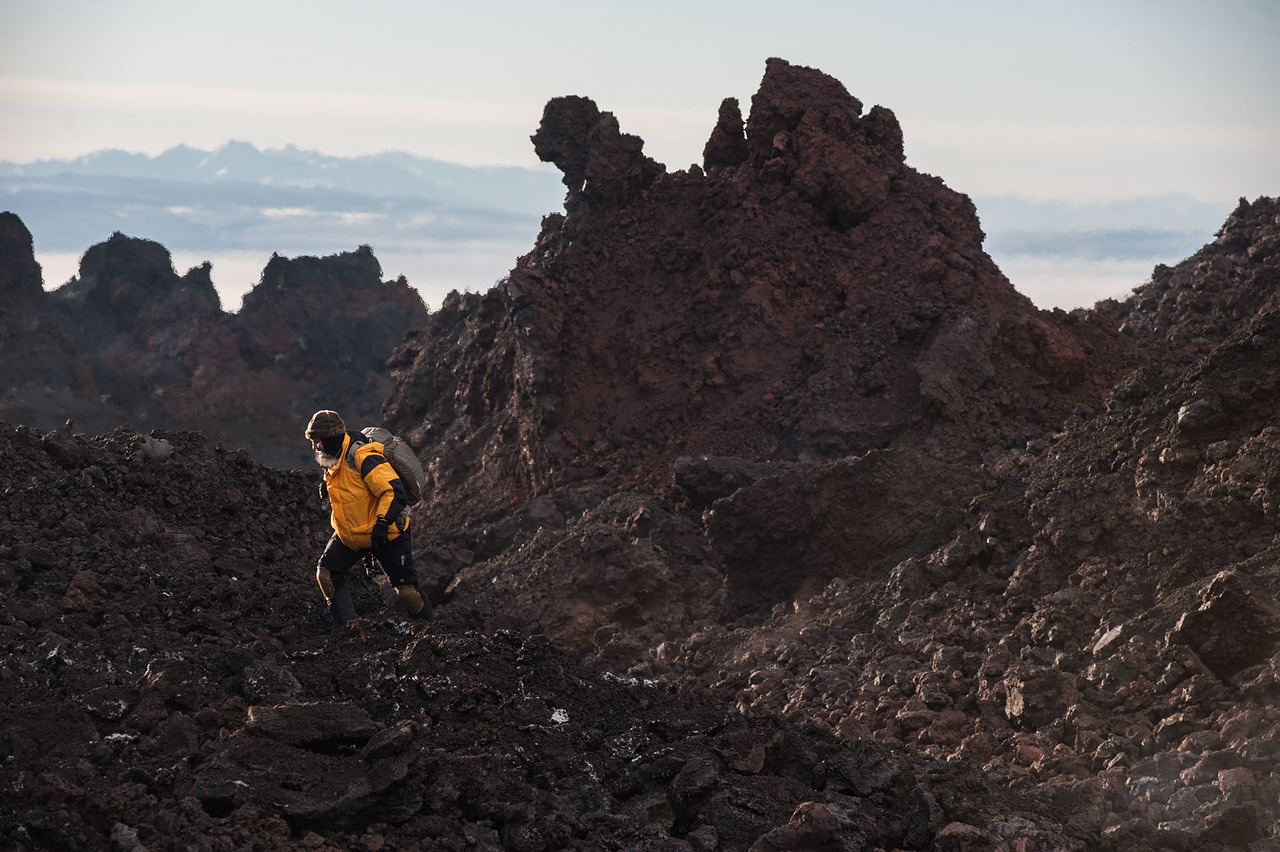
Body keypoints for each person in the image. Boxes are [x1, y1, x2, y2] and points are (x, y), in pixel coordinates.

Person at [305, 409, 432, 628]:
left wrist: (382, 523)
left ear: (332, 438)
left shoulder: (363, 457)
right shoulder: (332, 457)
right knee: (327, 574)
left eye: (319, 441)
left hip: (386, 534)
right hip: (351, 534)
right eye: (313, 441)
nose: (315, 447)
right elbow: (352, 487)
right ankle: (347, 631)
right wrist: (327, 487)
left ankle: (431, 634)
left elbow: (394, 492)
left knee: (407, 593)